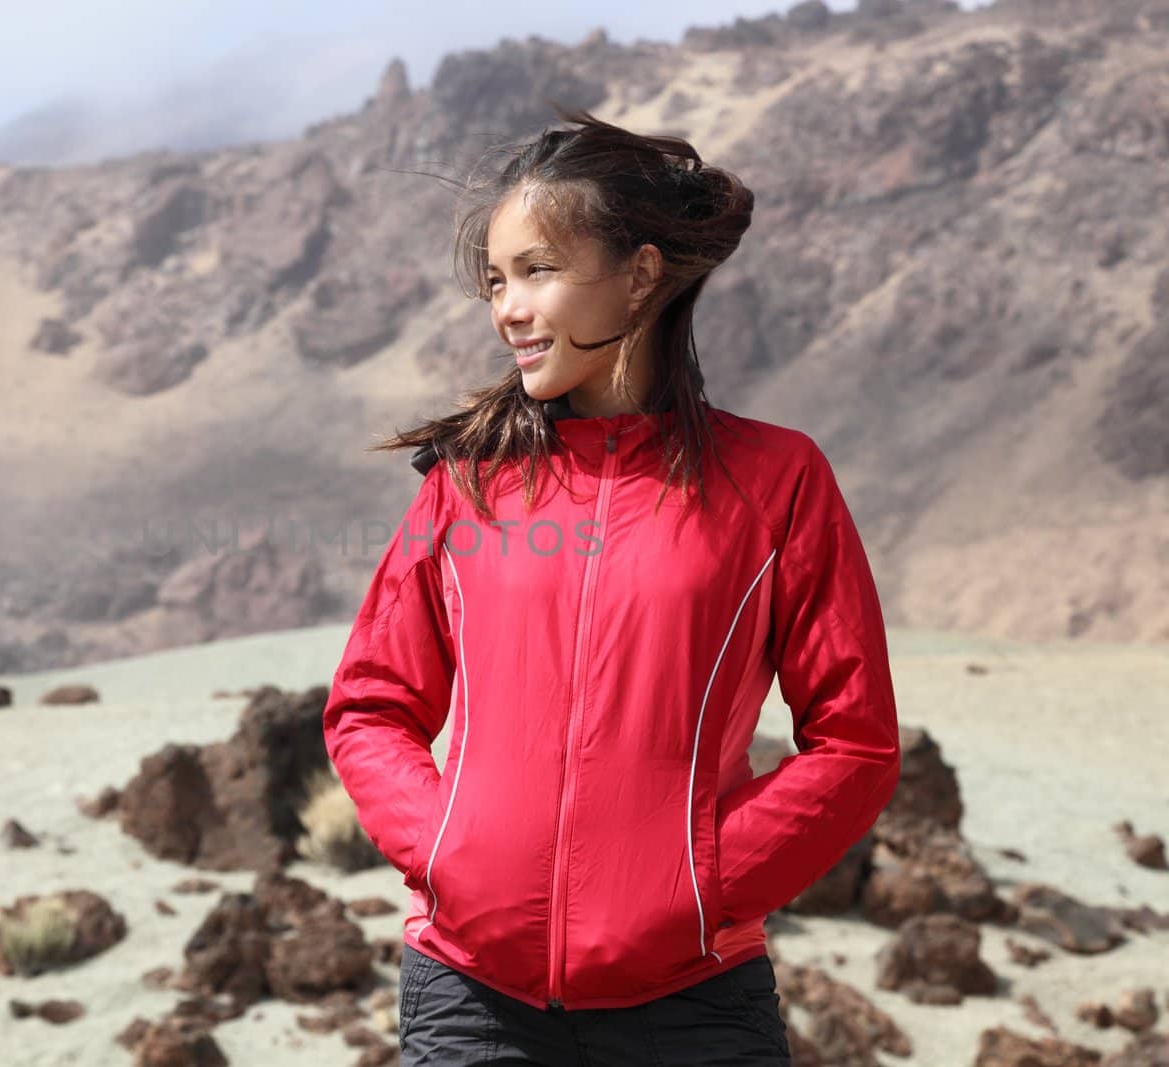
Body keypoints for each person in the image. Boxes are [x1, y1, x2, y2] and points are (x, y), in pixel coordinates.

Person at [320, 105, 901, 1066]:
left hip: (695, 1001)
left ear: (638, 274)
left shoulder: (777, 481)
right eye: (497, 281)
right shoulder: (469, 480)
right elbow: (370, 706)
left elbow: (856, 738)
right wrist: (447, 847)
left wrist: (705, 878)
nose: (508, 307)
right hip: (473, 1000)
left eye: (538, 271)